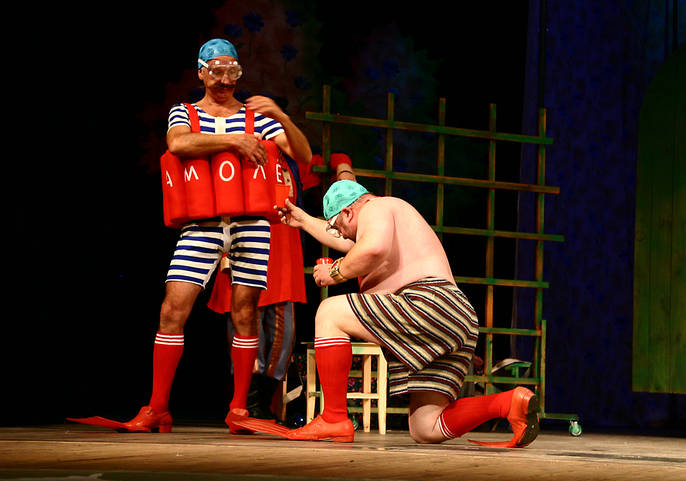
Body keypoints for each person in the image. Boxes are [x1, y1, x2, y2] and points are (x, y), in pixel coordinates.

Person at [123, 38, 312, 433]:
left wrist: (281, 116)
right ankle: (158, 407)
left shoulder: (258, 119)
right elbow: (178, 142)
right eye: (217, 71)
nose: (225, 79)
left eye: (233, 71)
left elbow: (303, 155)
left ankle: (239, 409)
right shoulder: (186, 112)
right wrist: (233, 140)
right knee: (173, 309)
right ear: (201, 73)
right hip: (202, 225)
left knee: (245, 313)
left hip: (251, 225)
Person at [276, 180, 539, 446]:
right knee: (426, 427)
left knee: (329, 312)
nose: (340, 235)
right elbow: (354, 244)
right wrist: (304, 220)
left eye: (337, 226)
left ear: (348, 212)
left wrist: (335, 272)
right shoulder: (385, 221)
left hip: (429, 304)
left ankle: (333, 418)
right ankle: (509, 402)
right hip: (454, 319)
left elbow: (373, 248)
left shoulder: (376, 207)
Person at [207, 153, 357, 422]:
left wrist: (344, 166)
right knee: (245, 329)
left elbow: (331, 158)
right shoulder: (240, 153)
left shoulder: (290, 160)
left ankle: (263, 402)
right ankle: (247, 403)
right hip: (247, 248)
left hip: (283, 255)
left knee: (282, 337)